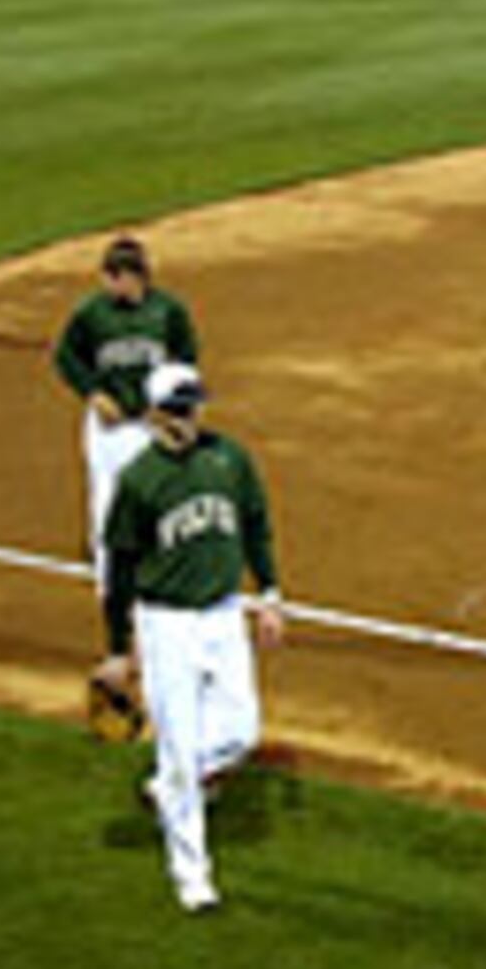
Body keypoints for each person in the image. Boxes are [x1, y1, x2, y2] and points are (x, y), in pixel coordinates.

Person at [93, 360, 284, 915]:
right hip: (166, 623)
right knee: (178, 750)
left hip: (224, 615)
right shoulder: (139, 481)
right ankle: (192, 875)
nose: (191, 415)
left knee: (242, 732)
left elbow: (255, 524)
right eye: (179, 407)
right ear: (155, 413)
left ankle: (175, 780)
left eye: (195, 404)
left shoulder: (228, 458)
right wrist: (116, 649)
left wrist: (268, 595)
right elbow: (121, 569)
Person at [50, 235, 201, 614]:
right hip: (109, 425)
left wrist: (172, 409)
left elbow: (187, 359)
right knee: (106, 499)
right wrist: (93, 393)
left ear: (138, 277)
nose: (114, 286)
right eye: (111, 278)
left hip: (150, 422)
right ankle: (110, 584)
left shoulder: (168, 312)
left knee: (157, 496)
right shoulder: (91, 314)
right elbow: (66, 357)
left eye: (121, 278)